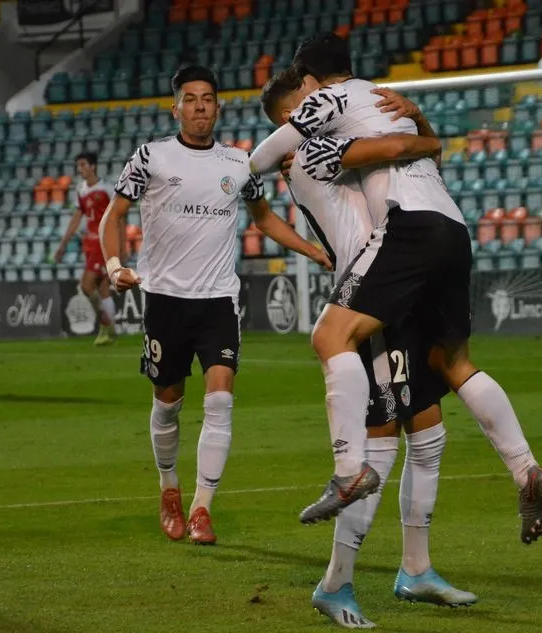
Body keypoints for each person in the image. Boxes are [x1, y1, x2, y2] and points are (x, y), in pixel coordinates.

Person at [250, 33, 542, 545]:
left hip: (401, 240)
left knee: (337, 347)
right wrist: (424, 126)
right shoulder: (385, 103)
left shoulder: (321, 123)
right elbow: (419, 154)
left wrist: (252, 167)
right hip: (451, 228)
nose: (301, 114)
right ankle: (526, 473)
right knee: (449, 366)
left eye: (299, 106)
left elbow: (275, 159)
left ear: (310, 87)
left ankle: (347, 493)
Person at [260, 68, 478, 627]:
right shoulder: (313, 154)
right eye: (311, 101)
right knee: (380, 441)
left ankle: (417, 569)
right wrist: (424, 133)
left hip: (395, 288)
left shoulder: (320, 149)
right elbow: (398, 149)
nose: (325, 103)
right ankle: (336, 583)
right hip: (372, 296)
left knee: (427, 428)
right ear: (291, 119)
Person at [98, 65, 332, 545]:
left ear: (218, 107)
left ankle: (202, 508)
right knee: (168, 404)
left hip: (218, 300)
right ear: (176, 108)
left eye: (207, 98)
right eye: (190, 99)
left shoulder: (240, 164)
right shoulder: (151, 157)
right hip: (165, 299)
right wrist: (115, 266)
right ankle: (169, 489)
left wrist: (312, 250)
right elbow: (113, 215)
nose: (200, 106)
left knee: (221, 400)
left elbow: (264, 218)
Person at [54, 152, 121, 346]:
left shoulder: (107, 188)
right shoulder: (80, 189)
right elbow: (77, 218)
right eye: (78, 165)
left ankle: (105, 324)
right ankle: (110, 332)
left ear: (93, 166)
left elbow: (119, 216)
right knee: (102, 288)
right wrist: (63, 244)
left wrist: (121, 245)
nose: (80, 169)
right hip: (89, 244)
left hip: (103, 242)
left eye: (83, 164)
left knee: (86, 285)